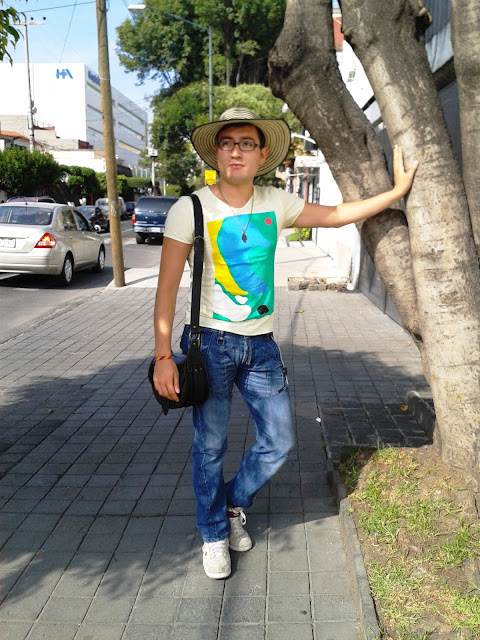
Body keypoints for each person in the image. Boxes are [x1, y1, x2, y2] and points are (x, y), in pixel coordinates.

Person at [153, 107, 418, 579]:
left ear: (262, 155)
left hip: (262, 346)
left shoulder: (276, 203)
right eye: (228, 143)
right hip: (210, 344)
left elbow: (336, 215)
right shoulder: (190, 209)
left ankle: (232, 503)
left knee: (279, 441)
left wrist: (395, 193)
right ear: (216, 153)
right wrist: (162, 357)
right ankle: (213, 533)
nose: (236, 151)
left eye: (246, 143)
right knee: (209, 447)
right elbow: (167, 288)